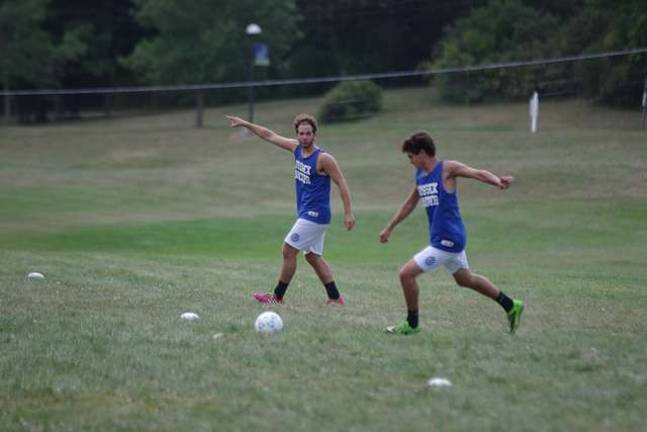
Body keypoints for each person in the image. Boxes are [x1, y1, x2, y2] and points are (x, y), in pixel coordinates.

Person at [379, 131, 524, 334]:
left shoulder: (447, 169)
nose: (410, 161)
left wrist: (497, 181)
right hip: (441, 238)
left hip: (449, 239)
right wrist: (390, 227)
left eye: (411, 157)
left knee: (406, 275)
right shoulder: (420, 176)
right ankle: (511, 305)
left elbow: (477, 173)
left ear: (422, 153)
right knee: (465, 279)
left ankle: (411, 325)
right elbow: (410, 203)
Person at [226, 113, 355, 304]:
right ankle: (335, 298)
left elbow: (342, 183)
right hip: (307, 213)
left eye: (308, 133)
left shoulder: (324, 158)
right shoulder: (296, 149)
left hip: (316, 215)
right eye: (301, 134)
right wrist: (245, 123)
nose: (304, 137)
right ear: (297, 135)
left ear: (314, 135)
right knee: (312, 256)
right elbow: (269, 135)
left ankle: (277, 297)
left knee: (288, 250)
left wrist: (348, 212)